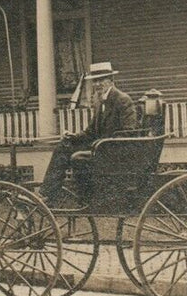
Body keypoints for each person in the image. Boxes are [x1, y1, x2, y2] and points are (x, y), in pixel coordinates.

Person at [38, 62, 139, 206]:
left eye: (101, 80)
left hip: (115, 152)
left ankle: (86, 199)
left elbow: (129, 133)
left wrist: (102, 144)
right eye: (95, 81)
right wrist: (73, 136)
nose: (97, 84)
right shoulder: (98, 101)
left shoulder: (122, 100)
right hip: (101, 148)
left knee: (77, 157)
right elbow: (91, 131)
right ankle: (48, 194)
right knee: (64, 146)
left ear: (111, 80)